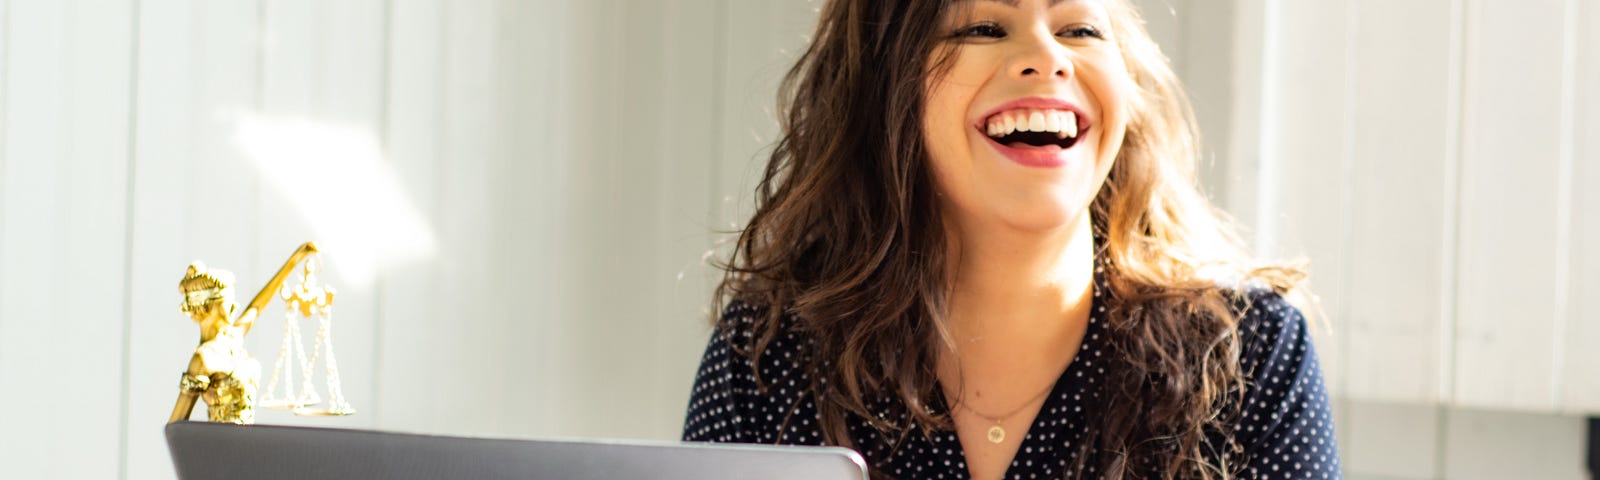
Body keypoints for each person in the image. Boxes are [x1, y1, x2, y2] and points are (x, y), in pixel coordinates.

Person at [683, 0, 1340, 478]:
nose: (1046, 58)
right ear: (888, 87)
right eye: (983, 28)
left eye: (1079, 28)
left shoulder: (1251, 359)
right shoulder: (768, 363)